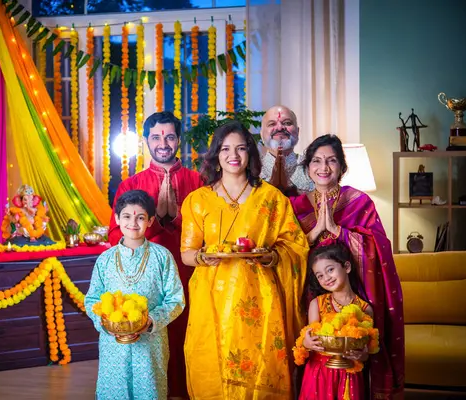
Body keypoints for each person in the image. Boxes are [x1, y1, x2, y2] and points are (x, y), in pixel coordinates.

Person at [180, 120, 309, 399]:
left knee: (260, 359)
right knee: (211, 359)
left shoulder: (272, 199)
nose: (233, 155)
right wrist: (204, 256)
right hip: (212, 295)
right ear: (216, 155)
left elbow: (296, 245)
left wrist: (272, 256)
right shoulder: (197, 200)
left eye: (240, 148)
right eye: (225, 149)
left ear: (250, 153)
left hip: (260, 297)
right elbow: (187, 253)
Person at [290, 134, 405, 399]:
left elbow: (378, 248)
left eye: (331, 160)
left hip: (352, 293)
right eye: (316, 161)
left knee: (351, 358)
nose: (324, 167)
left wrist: (338, 231)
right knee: (314, 359)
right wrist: (313, 233)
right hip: (308, 296)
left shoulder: (359, 202)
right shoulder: (295, 207)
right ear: (308, 168)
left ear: (342, 167)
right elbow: (287, 252)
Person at [108, 111, 202, 398]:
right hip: (145, 282)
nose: (164, 143)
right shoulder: (130, 185)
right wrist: (156, 221)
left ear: (179, 141)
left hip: (191, 276)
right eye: (156, 137)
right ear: (146, 141)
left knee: (189, 337)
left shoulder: (197, 182)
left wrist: (175, 220)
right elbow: (115, 237)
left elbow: (209, 231)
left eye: (170, 136)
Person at [85, 189, 185, 400]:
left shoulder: (162, 256)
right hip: (113, 345)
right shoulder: (105, 259)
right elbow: (92, 299)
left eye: (140, 217)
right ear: (117, 219)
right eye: (127, 217)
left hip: (151, 344)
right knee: (114, 391)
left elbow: (176, 299)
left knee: (149, 391)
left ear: (149, 221)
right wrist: (104, 323)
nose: (133, 223)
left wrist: (151, 321)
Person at [297, 243, 376, 399]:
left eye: (330, 270)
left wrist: (362, 356)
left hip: (349, 375)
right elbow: (310, 338)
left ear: (346, 267)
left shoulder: (364, 308)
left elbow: (367, 350)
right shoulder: (317, 304)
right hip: (319, 373)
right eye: (319, 275)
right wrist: (306, 344)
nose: (326, 278)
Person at [259, 105, 314, 195]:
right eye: (272, 124)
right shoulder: (252, 169)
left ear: (298, 132)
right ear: (261, 135)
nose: (280, 128)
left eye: (287, 123)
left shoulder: (312, 167)